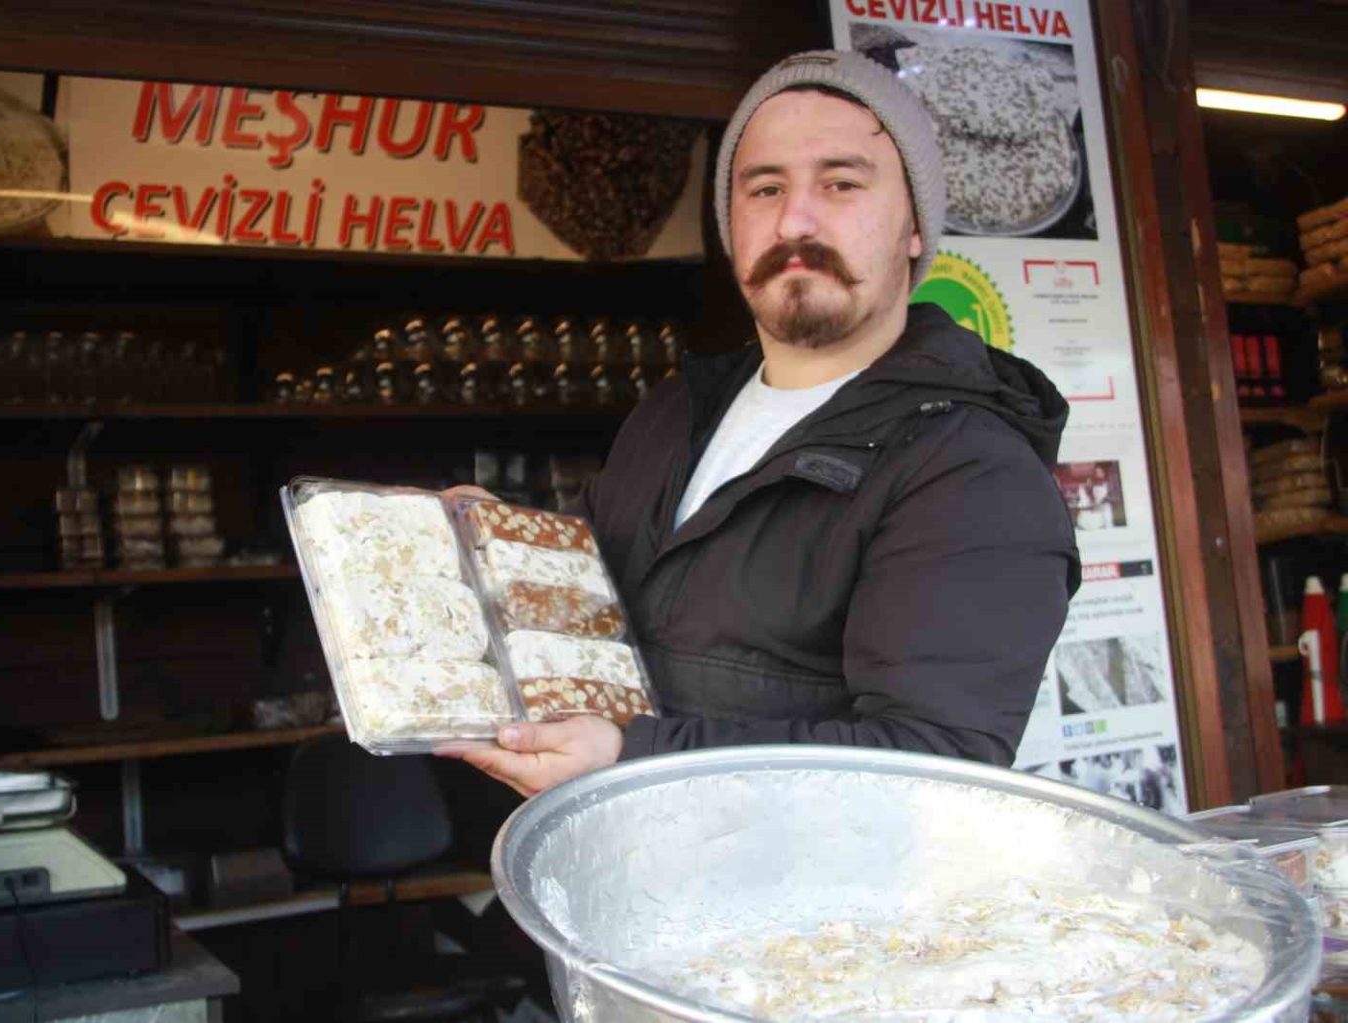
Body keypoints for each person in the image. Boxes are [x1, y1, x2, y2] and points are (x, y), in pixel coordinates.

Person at [441, 50, 1079, 797]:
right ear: (731, 224)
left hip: (789, 880)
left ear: (914, 227)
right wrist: (504, 547)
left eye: (841, 184)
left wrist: (631, 759)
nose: (794, 221)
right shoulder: (676, 411)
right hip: (616, 858)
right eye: (765, 188)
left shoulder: (969, 469)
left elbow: (932, 768)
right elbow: (603, 603)